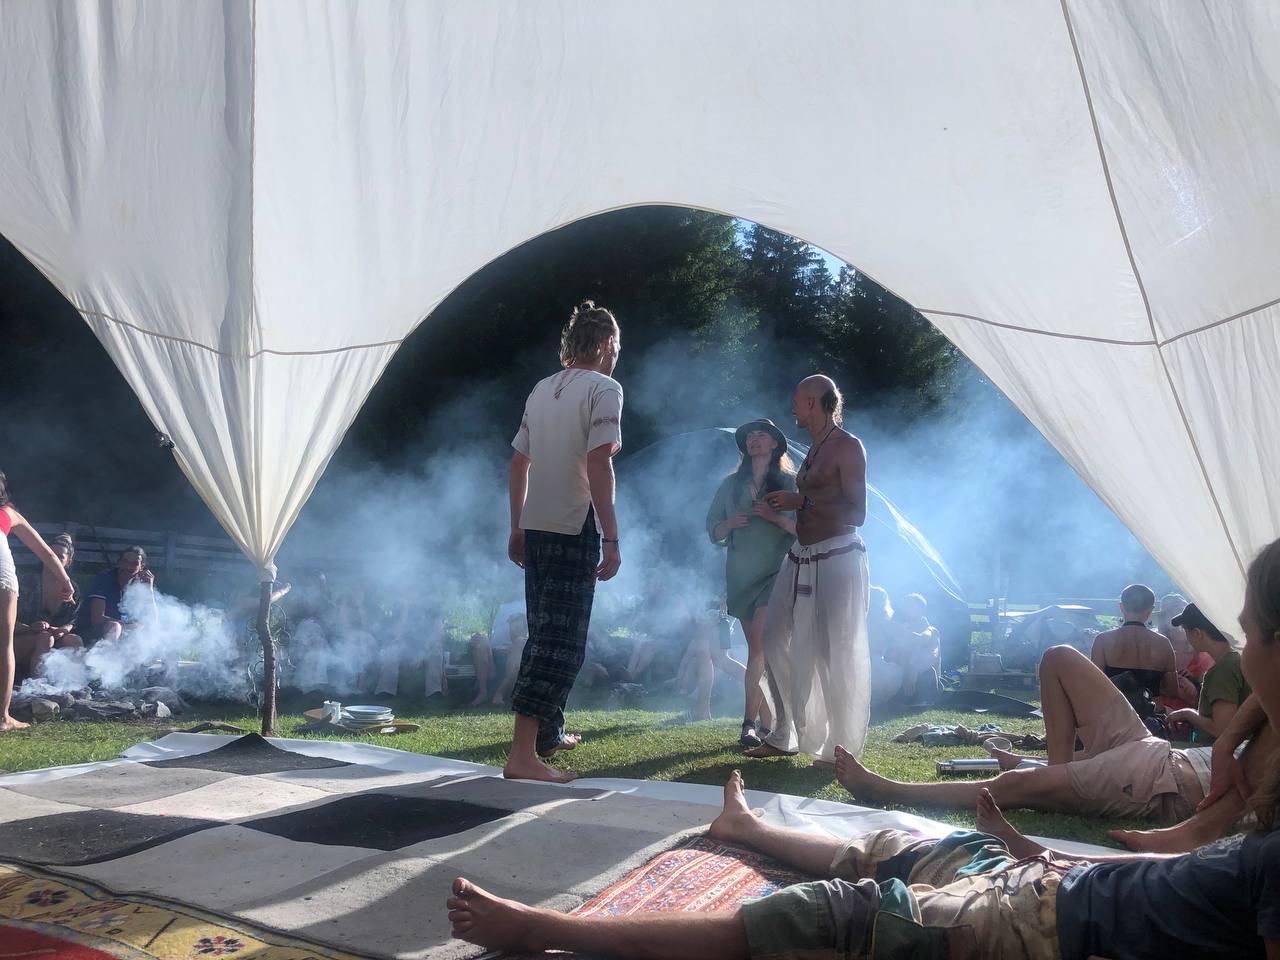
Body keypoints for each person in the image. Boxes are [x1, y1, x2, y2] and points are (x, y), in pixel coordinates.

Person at [836, 635, 1242, 822]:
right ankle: (1053, 771)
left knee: (1013, 787)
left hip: (1162, 782)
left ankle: (885, 789)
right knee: (1059, 657)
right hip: (1155, 749)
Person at [504, 299, 623, 783]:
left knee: (543, 632)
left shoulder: (541, 389)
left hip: (536, 526)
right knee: (561, 643)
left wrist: (517, 526)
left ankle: (548, 734)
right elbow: (599, 463)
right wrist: (612, 537)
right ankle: (522, 756)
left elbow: (519, 463)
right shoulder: (605, 388)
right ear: (608, 343)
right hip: (573, 526)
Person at [747, 375, 869, 761]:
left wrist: (802, 503)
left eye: (797, 402)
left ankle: (839, 746)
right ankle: (789, 730)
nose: (793, 409)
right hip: (802, 553)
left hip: (838, 554)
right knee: (772, 635)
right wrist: (791, 502)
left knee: (834, 651)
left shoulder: (848, 446)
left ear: (814, 403)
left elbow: (858, 513)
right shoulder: (815, 446)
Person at [706, 418, 796, 747]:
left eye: (762, 435)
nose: (754, 440)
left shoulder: (789, 483)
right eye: (750, 436)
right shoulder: (731, 485)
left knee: (760, 645)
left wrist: (774, 517)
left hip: (777, 572)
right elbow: (713, 530)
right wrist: (730, 523)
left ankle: (748, 723)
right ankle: (769, 723)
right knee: (760, 651)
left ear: (775, 444)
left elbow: (802, 529)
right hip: (741, 575)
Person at [1, 472, 75, 731]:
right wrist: (66, 581)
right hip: (2, 576)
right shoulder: (8, 513)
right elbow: (45, 552)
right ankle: (3, 718)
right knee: (4, 645)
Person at [1091, 583, 1196, 732]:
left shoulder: (1103, 641)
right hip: (1152, 719)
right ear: (1150, 611)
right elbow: (1172, 690)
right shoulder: (1163, 643)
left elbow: (1095, 687)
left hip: (1116, 719)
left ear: (1121, 607)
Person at [1159, 602, 1249, 744]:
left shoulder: (1222, 670)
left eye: (1185, 631)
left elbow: (1221, 729)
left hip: (1213, 750)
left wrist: (1187, 714)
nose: (1186, 637)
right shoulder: (1237, 659)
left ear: (1197, 633)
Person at [14, 533, 82, 677]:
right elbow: (6, 621)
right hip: (19, 638)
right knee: (45, 638)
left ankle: (74, 683)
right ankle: (36, 684)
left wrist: (63, 629)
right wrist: (30, 628)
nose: (54, 560)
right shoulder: (26, 583)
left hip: (52, 640)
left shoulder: (72, 589)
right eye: (51, 555)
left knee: (74, 640)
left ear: (68, 562)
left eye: (60, 557)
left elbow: (73, 621)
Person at [72, 545, 158, 649]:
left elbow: (152, 621)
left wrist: (149, 590)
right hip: (90, 633)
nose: (128, 567)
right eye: (125, 562)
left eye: (134, 564)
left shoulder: (139, 585)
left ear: (141, 567)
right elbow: (97, 619)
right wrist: (127, 625)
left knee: (148, 631)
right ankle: (108, 658)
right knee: (114, 627)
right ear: (119, 563)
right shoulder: (105, 578)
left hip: (123, 634)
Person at [469, 597, 528, 707]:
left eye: (517, 627)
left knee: (519, 642)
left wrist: (512, 649)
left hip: (513, 679)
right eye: (511, 627)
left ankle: (500, 693)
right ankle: (482, 692)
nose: (513, 630)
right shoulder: (502, 644)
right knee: (483, 641)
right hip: (494, 671)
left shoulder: (524, 642)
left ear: (525, 630)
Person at [891, 592, 941, 703]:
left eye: (910, 606)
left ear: (921, 610)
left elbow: (932, 655)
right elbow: (895, 652)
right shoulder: (903, 628)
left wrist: (914, 671)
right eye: (905, 606)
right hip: (904, 674)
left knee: (928, 673)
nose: (906, 610)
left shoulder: (931, 631)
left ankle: (923, 699)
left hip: (923, 674)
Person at [866, 586, 904, 704]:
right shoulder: (883, 623)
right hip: (873, 667)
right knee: (896, 672)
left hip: (872, 664)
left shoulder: (861, 619)